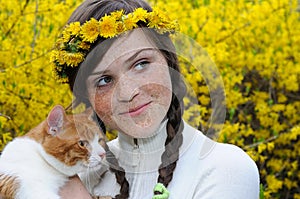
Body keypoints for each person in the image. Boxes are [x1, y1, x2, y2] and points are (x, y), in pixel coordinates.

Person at [49, 0, 260, 198]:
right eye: (104, 80)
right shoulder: (76, 178)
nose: (128, 92)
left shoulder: (225, 169)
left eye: (141, 64)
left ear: (169, 62)